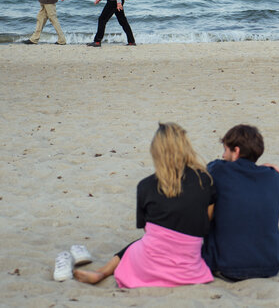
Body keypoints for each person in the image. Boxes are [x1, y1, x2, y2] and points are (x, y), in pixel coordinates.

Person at [71, 123, 216, 288]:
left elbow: (147, 229)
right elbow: (207, 220)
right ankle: (102, 272)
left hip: (148, 263)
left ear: (155, 152)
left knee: (139, 244)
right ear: (186, 148)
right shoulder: (204, 180)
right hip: (188, 265)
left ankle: (102, 272)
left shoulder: (145, 186)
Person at [201, 124, 279, 281]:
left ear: (236, 151)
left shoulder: (219, 170)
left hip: (227, 265)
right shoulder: (274, 176)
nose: (223, 155)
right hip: (271, 264)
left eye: (226, 150)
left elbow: (205, 170)